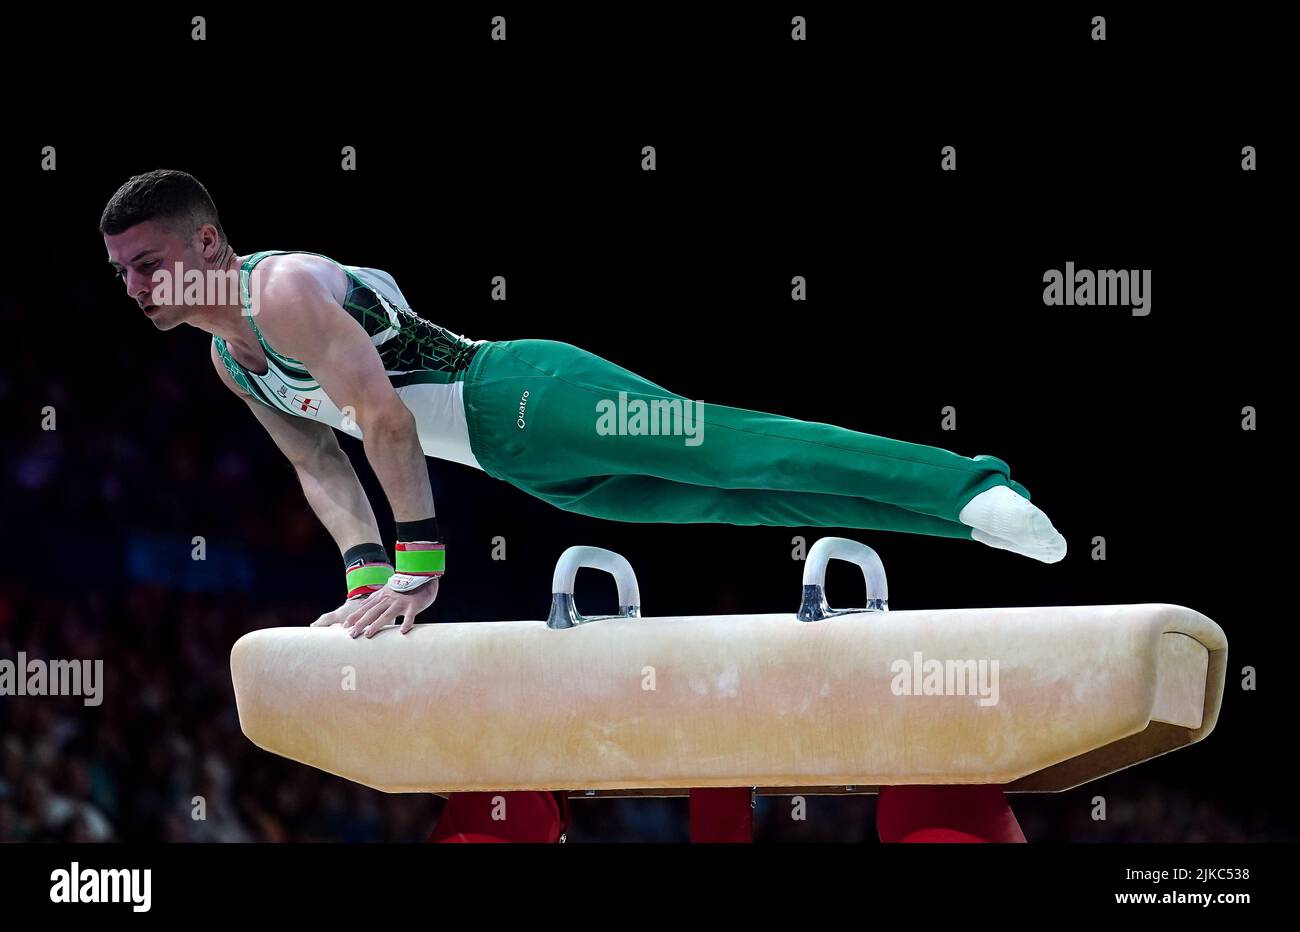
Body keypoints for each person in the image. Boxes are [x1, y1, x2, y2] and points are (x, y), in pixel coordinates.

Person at [101, 169, 1054, 843]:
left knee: (728, 446)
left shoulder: (281, 292)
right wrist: (363, 575)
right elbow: (318, 462)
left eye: (150, 262)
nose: (137, 288)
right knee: (739, 505)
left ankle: (968, 481)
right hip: (517, 464)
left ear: (208, 243)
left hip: (525, 395)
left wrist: (419, 567)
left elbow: (385, 420)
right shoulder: (231, 360)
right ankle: (958, 524)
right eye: (123, 274)